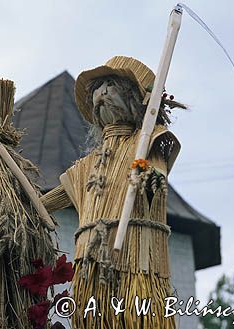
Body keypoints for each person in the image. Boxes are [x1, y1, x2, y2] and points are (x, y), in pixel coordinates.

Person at [42, 56, 185, 329]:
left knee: (137, 317)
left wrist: (149, 173)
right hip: (90, 263)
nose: (102, 92)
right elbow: (61, 194)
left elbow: (156, 171)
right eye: (98, 86)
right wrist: (31, 205)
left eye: (111, 84)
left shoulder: (146, 142)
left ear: (134, 98)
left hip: (137, 259)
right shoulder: (86, 166)